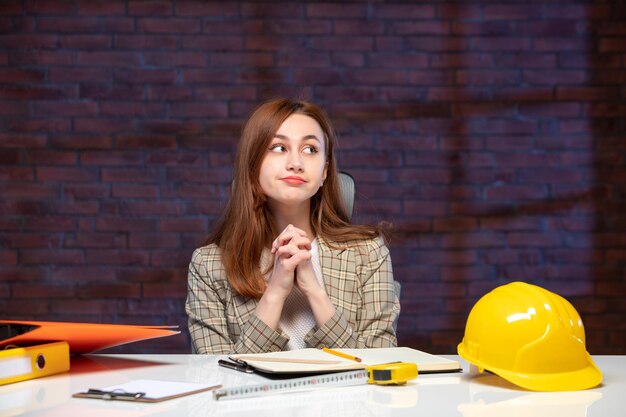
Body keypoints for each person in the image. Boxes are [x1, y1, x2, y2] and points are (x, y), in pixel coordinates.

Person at [186, 98, 400, 354]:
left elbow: (380, 363)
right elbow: (215, 376)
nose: (296, 163)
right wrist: (275, 292)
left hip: (345, 395)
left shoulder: (367, 253)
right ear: (253, 165)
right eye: (279, 147)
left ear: (324, 172)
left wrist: (314, 290)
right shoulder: (210, 264)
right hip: (256, 396)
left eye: (310, 149)